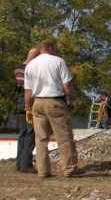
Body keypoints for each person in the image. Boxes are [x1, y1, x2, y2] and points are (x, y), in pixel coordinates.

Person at [24, 40, 79, 178]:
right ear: (50, 47)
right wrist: (72, 97)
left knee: (41, 139)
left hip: (37, 103)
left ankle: (42, 171)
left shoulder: (30, 65)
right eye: (55, 48)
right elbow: (67, 85)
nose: (56, 51)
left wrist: (27, 108)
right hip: (55, 101)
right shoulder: (58, 61)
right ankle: (69, 168)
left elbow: (28, 91)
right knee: (64, 137)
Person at [14, 48, 40, 173]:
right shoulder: (30, 69)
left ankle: (19, 163)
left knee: (22, 133)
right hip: (28, 101)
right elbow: (29, 88)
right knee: (31, 132)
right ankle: (26, 164)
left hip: (19, 102)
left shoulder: (18, 68)